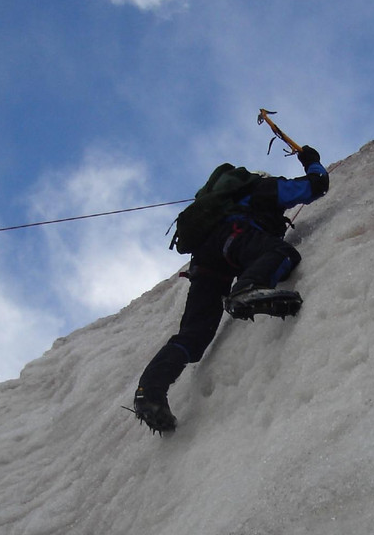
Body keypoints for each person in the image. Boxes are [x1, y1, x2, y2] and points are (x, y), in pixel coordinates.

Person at [133, 145, 330, 433]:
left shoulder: (220, 205)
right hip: (234, 239)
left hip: (206, 262)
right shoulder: (262, 188)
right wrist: (312, 161)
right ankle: (249, 289)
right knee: (282, 253)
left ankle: (149, 391)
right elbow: (315, 186)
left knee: (193, 336)